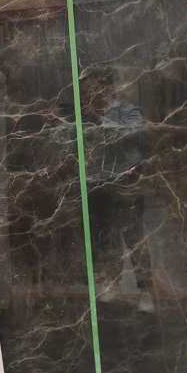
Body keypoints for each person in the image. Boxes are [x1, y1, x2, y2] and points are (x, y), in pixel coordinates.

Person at [80, 67, 154, 311]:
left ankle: (146, 290)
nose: (91, 93)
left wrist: (101, 120)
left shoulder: (127, 110)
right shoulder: (86, 116)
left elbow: (135, 133)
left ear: (108, 88)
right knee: (106, 236)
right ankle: (110, 283)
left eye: (95, 88)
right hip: (99, 184)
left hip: (126, 183)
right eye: (87, 90)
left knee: (134, 237)